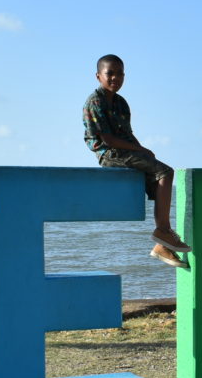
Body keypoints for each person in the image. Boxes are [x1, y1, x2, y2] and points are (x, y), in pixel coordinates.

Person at [82, 54, 192, 268]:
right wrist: (140, 150)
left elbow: (128, 136)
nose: (116, 78)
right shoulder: (95, 101)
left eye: (120, 73)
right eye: (110, 73)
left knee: (156, 176)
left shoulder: (122, 103)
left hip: (123, 150)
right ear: (98, 76)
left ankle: (162, 245)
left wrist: (146, 153)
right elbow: (107, 139)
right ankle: (163, 231)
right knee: (166, 172)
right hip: (108, 154)